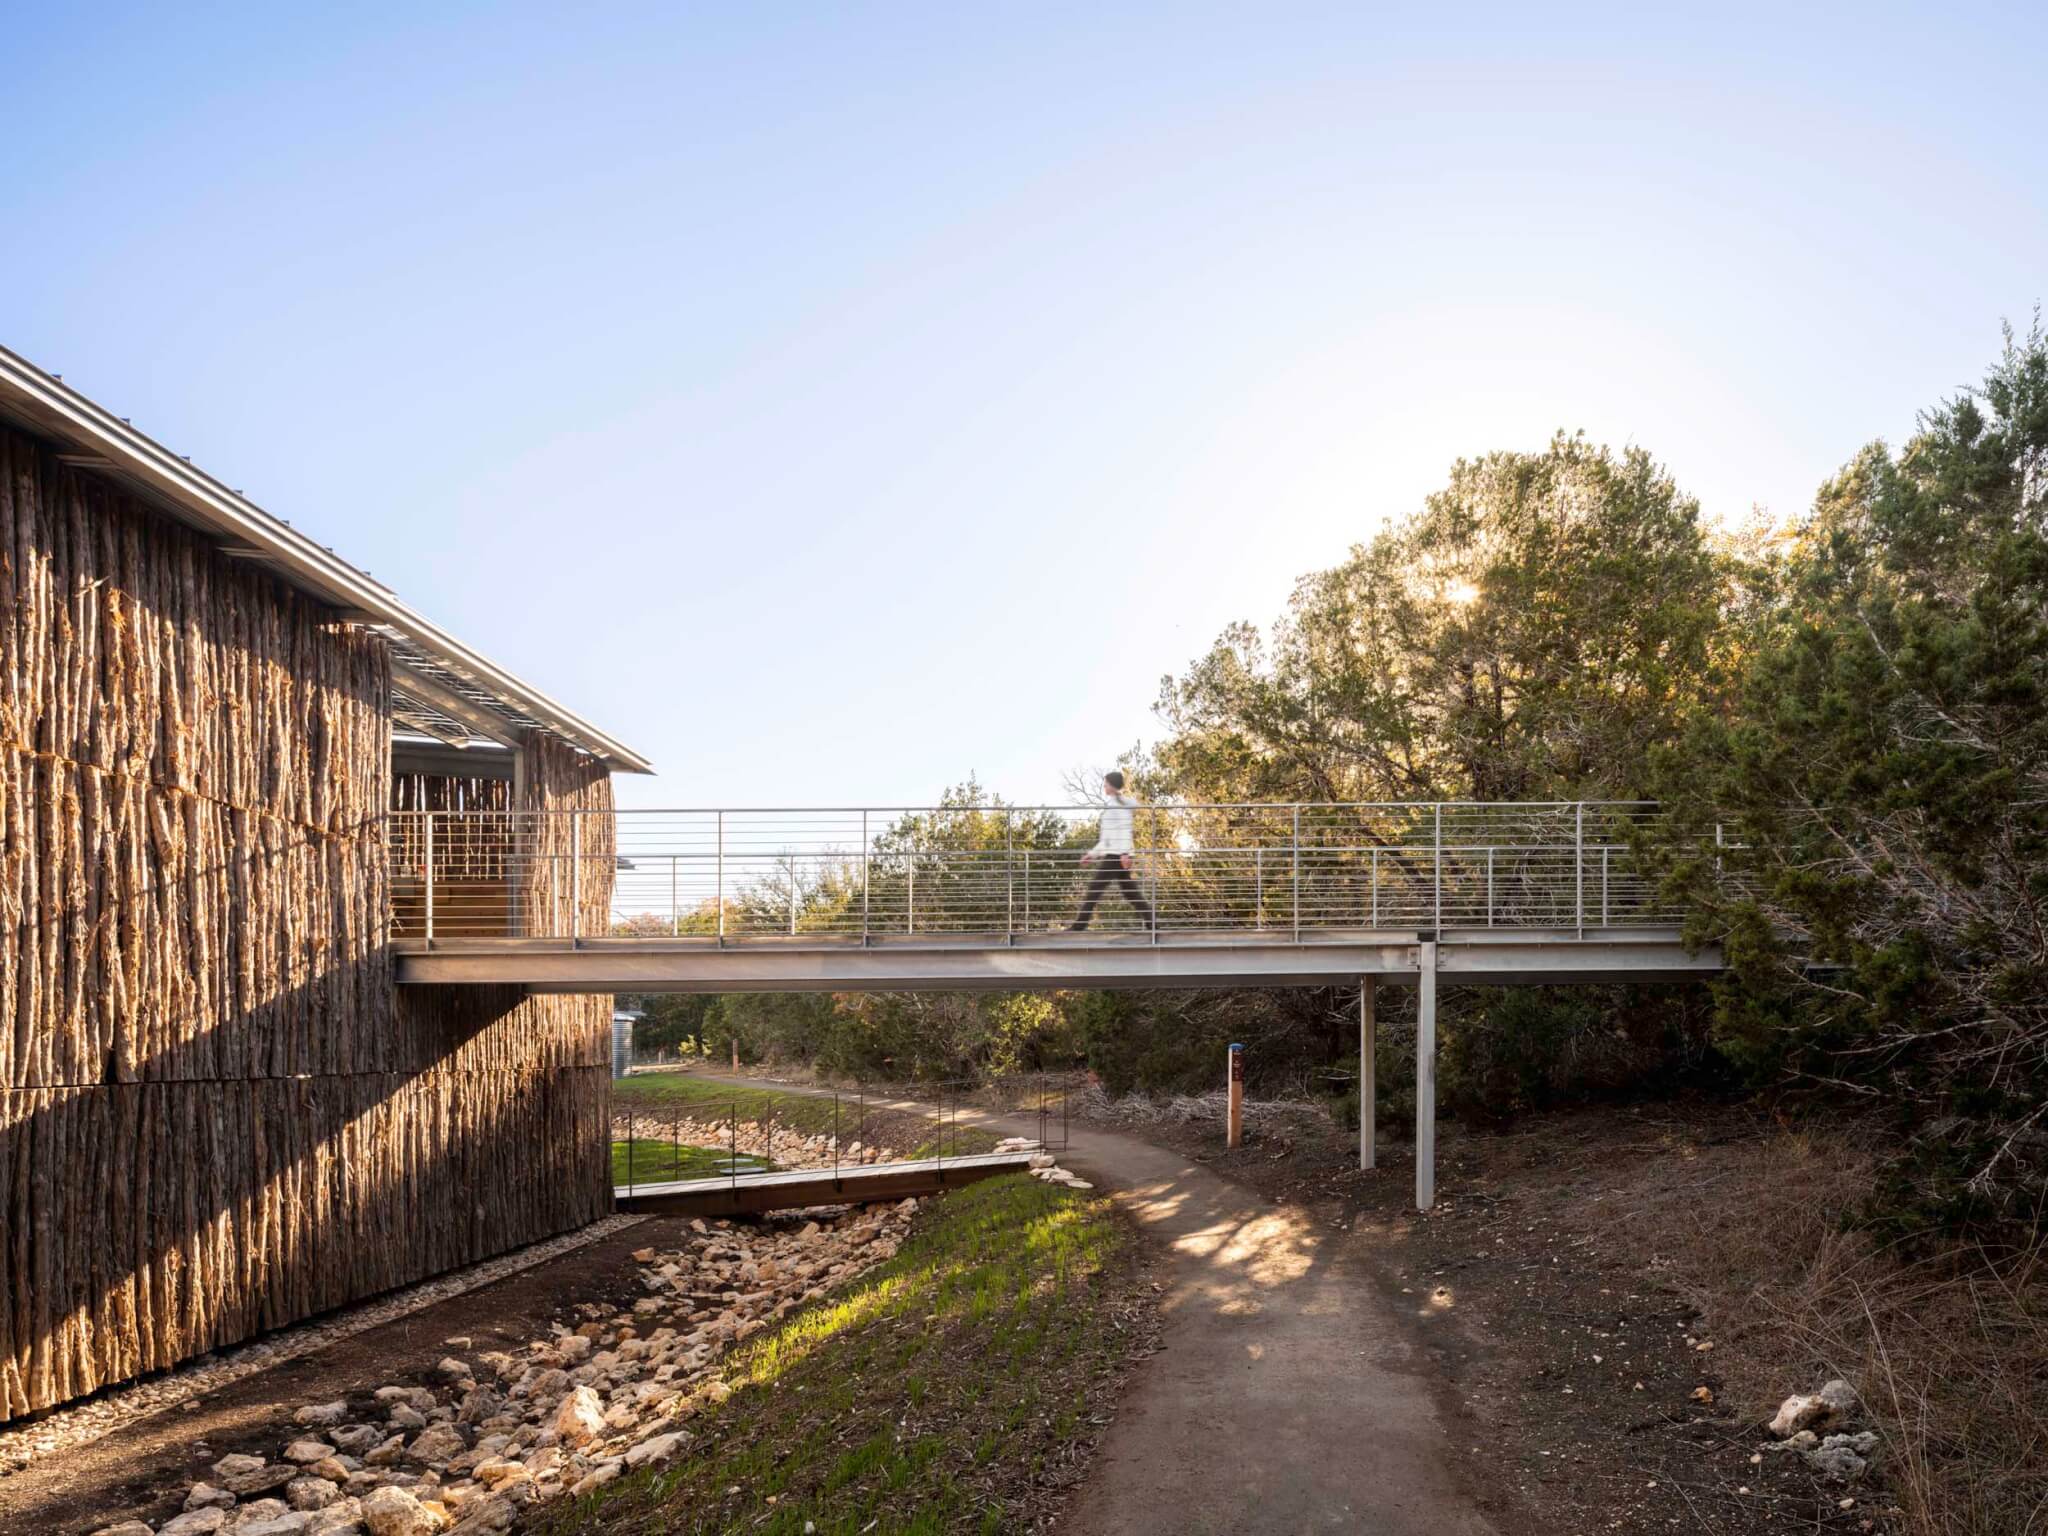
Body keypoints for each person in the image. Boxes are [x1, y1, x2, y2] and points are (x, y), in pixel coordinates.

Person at [1070, 771, 1154, 932]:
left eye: (1106, 783)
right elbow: (1106, 839)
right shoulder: (1114, 804)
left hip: (1116, 856)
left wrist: (1124, 854)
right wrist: (1092, 854)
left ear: (1112, 785)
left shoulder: (1118, 805)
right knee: (1131, 893)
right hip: (1117, 854)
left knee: (1095, 888)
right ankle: (1153, 923)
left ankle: (1079, 926)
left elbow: (1124, 830)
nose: (1104, 786)